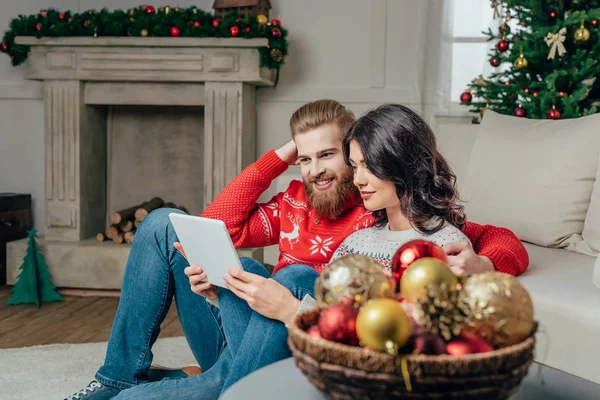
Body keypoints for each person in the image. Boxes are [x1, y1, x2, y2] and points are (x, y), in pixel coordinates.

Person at [64, 100, 528, 400]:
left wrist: (486, 263)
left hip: (295, 329)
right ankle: (120, 375)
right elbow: (215, 222)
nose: (317, 171)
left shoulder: (382, 214)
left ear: (353, 156)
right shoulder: (294, 202)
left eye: (329, 156)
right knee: (173, 227)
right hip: (257, 326)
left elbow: (491, 239)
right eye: (305, 160)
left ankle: (201, 386)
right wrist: (285, 154)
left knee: (295, 276)